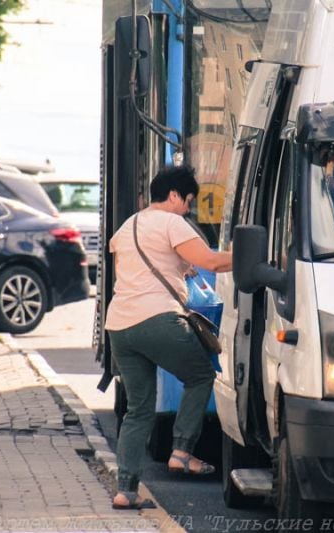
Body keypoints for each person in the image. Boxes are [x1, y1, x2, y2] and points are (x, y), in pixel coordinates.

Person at [105, 165, 232, 510]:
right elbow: (212, 262)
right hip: (158, 320)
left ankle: (125, 491)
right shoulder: (172, 222)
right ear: (174, 195)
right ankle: (182, 450)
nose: (188, 209)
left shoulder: (128, 224)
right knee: (201, 375)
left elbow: (141, 269)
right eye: (188, 201)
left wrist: (179, 266)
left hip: (120, 326)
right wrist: (255, 257)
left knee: (138, 410)